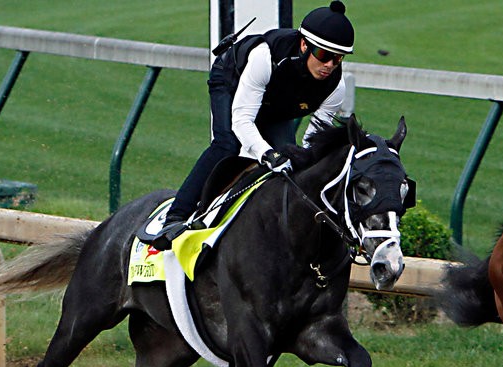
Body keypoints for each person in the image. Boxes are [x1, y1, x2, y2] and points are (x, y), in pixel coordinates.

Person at [146, 1, 354, 250]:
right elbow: (242, 120)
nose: (330, 65)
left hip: (275, 102)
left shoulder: (335, 88)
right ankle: (175, 217)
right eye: (323, 55)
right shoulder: (265, 57)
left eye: (337, 58)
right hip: (232, 79)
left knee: (290, 163)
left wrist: (291, 158)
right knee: (227, 144)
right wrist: (266, 153)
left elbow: (311, 145)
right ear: (304, 45)